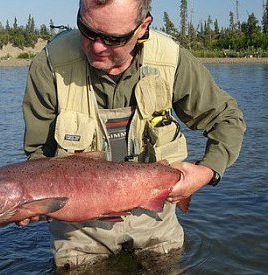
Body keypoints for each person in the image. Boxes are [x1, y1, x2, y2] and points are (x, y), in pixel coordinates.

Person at [22, 0, 246, 269]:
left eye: (113, 39)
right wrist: (31, 202)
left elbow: (227, 120)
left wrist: (207, 171)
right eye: (87, 30)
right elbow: (38, 158)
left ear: (143, 27)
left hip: (155, 220)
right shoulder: (51, 64)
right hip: (79, 230)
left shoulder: (170, 59)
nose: (96, 46)